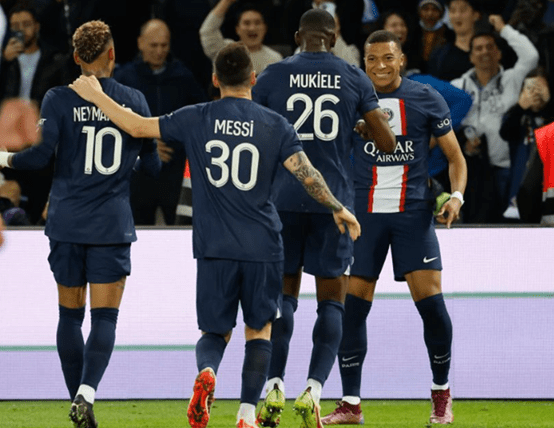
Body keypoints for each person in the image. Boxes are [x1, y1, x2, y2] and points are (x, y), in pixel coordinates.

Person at [68, 40, 362, 428]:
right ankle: (245, 415)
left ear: (214, 79)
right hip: (263, 246)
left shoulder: (196, 116)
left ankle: (207, 372)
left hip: (213, 246)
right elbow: (307, 174)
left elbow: (136, 125)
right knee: (259, 331)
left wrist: (96, 94)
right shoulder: (276, 125)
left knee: (214, 332)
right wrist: (337, 207)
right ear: (253, 78)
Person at [0, 20, 161, 428]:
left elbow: (38, 158)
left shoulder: (58, 98)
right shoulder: (134, 100)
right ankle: (87, 394)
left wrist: (2, 157)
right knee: (105, 318)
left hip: (67, 222)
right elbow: (154, 167)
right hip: (111, 225)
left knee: (70, 317)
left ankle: (77, 400)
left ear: (75, 57)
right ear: (112, 54)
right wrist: (128, 163)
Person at [252, 9, 396, 428]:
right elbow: (387, 143)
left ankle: (273, 385)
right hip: (333, 206)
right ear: (333, 39)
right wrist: (360, 126)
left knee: (283, 298)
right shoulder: (353, 77)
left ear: (299, 35)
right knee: (332, 300)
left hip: (281, 201)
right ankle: (314, 390)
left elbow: (256, 134)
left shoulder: (274, 75)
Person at [321, 30, 467, 426]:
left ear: (401, 60)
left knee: (432, 308)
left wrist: (456, 197)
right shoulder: (349, 100)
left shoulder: (426, 97)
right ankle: (351, 404)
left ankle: (441, 394)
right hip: (363, 218)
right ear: (363, 63)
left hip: (412, 215)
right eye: (372, 59)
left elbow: (456, 157)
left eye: (388, 58)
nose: (380, 66)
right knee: (352, 311)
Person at [114, 18, 207, 226]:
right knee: (137, 232)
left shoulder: (183, 77)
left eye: (164, 45)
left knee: (181, 232)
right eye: (153, 45)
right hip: (136, 173)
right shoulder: (123, 79)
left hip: (174, 171)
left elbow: (200, 119)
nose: (159, 51)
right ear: (140, 43)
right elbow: (110, 123)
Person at [451, 14, 539, 223]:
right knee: (477, 224)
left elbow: (531, 56)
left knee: (510, 225)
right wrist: (463, 144)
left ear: (499, 53)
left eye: (490, 47)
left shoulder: (512, 79)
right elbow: (446, 127)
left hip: (507, 167)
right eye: (478, 49)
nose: (484, 52)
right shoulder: (457, 87)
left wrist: (503, 29)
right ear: (470, 57)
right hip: (473, 171)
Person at [0, 1, 69, 224]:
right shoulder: (5, 60)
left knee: (39, 201)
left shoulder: (55, 59)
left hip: (40, 141)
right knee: (10, 200)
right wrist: (3, 62)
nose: (21, 30)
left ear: (37, 26)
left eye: (26, 24)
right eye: (15, 26)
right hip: (9, 142)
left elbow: (63, 101)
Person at [499, 67, 552, 220]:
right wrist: (520, 107)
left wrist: (549, 101)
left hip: (546, 187)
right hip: (519, 185)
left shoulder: (550, 117)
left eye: (540, 88)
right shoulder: (517, 115)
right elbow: (505, 133)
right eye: (530, 88)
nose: (535, 93)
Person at [199, 0, 282, 75]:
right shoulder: (225, 51)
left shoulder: (275, 59)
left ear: (265, 28)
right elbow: (207, 31)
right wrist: (226, 2)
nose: (252, 28)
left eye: (257, 23)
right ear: (237, 29)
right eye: (246, 23)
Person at [427, 0, 482, 81]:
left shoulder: (488, 51)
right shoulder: (439, 55)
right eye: (452, 11)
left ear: (476, 15)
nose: (457, 16)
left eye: (462, 10)